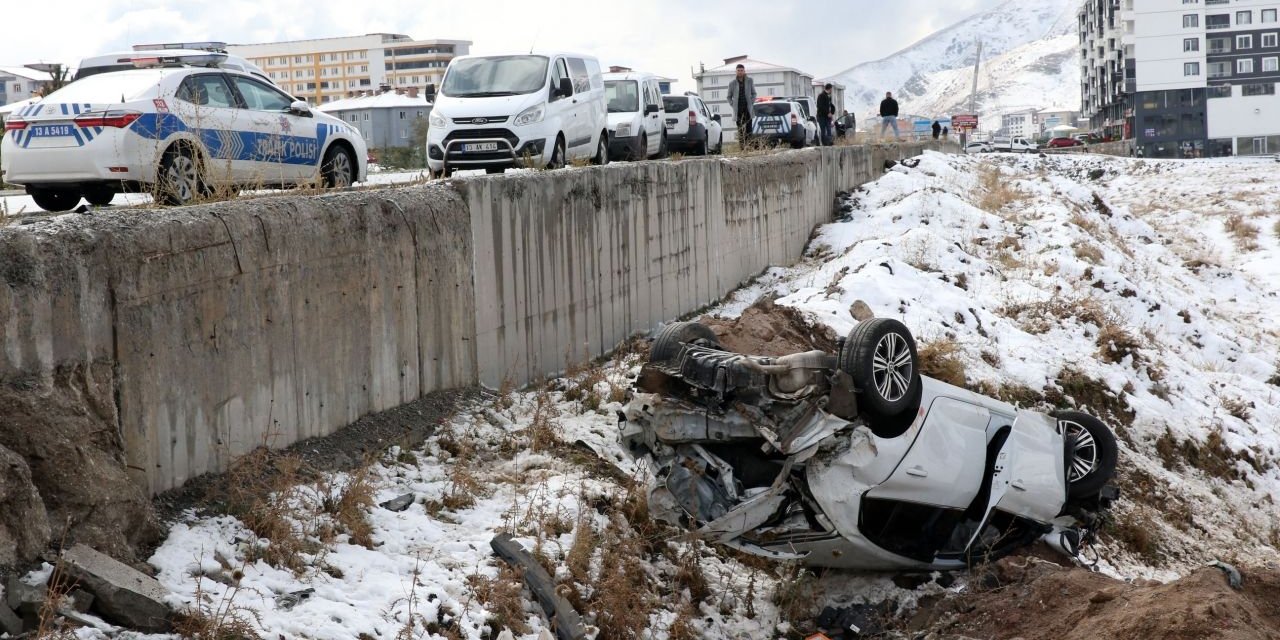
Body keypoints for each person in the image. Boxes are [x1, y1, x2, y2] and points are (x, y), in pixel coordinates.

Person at [727, 64, 757, 147]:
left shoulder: (750, 80)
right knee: (740, 131)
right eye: (738, 70)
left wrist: (751, 102)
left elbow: (754, 93)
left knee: (749, 130)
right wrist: (733, 105)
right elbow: (728, 97)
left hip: (748, 109)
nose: (740, 72)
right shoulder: (732, 83)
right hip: (738, 111)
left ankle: (749, 148)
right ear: (736, 71)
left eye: (741, 70)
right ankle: (742, 149)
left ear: (744, 71)